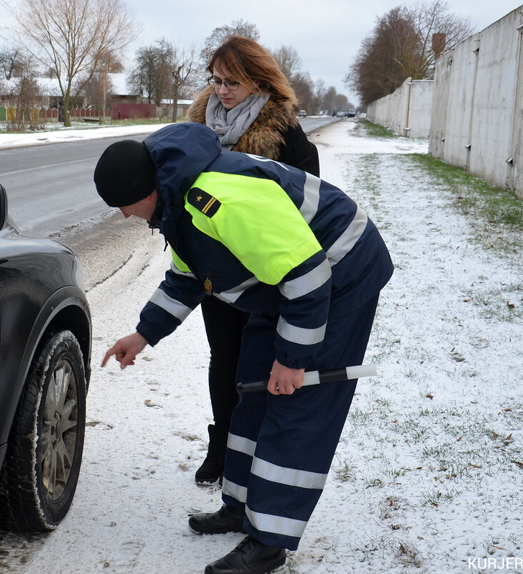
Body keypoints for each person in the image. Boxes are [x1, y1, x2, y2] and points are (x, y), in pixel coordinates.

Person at [94, 122, 392, 574]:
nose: (123, 215)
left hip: (339, 271)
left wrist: (294, 360)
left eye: (124, 205)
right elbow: (187, 276)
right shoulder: (177, 203)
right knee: (252, 384)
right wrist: (143, 334)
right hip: (284, 284)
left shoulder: (218, 200)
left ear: (147, 189)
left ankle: (268, 541)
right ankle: (240, 506)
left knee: (295, 400)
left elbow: (309, 279)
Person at [186, 35, 320, 486]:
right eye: (217, 80)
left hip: (264, 273)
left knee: (257, 362)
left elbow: (306, 204)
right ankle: (221, 445)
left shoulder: (284, 131)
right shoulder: (196, 127)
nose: (221, 91)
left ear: (259, 81)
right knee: (222, 357)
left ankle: (255, 450)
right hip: (215, 267)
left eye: (233, 83)